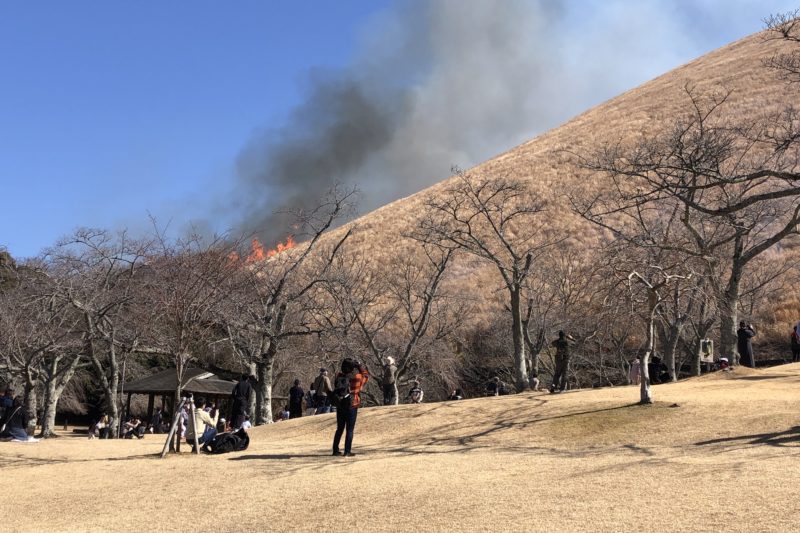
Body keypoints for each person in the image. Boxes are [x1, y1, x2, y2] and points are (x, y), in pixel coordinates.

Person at [332, 358, 369, 457]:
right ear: (352, 368)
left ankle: (335, 450)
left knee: (339, 428)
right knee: (350, 429)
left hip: (340, 404)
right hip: (352, 403)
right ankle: (347, 451)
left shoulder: (339, 376)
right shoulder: (357, 377)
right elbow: (366, 375)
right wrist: (359, 366)